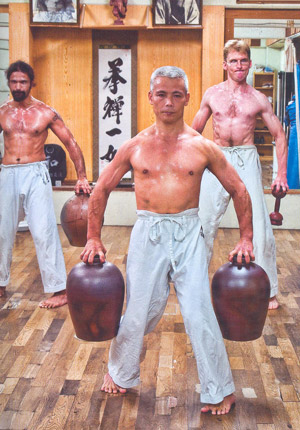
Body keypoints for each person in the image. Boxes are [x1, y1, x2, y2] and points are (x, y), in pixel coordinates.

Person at [81, 66, 255, 415]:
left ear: (188, 98)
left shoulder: (202, 147)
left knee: (198, 313)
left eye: (177, 94)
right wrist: (93, 237)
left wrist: (246, 238)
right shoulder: (135, 146)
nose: (169, 102)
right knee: (137, 313)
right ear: (150, 98)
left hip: (190, 232)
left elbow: (239, 190)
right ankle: (119, 373)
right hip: (148, 233)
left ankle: (221, 390)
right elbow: (100, 190)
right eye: (161, 94)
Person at [192, 39, 289, 310]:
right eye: (233, 61)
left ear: (249, 63)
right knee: (203, 222)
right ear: (225, 64)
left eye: (243, 60)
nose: (239, 65)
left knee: (259, 224)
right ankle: (194, 283)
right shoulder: (212, 94)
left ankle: (268, 290)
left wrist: (281, 174)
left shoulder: (259, 99)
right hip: (217, 156)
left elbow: (279, 135)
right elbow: (194, 131)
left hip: (246, 157)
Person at [0, 60, 91, 308]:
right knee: (2, 232)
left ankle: (58, 289)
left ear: (31, 83)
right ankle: (0, 285)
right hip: (7, 172)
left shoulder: (44, 112)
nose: (18, 86)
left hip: (36, 173)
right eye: (14, 82)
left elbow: (70, 142)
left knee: (43, 231)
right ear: (9, 83)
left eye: (23, 82)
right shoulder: (3, 111)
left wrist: (81, 175)